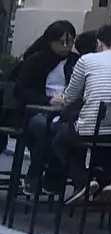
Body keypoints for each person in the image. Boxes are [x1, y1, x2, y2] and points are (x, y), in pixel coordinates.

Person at [51, 24, 111, 203]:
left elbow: (71, 96)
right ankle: (107, 183)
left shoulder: (87, 61)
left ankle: (83, 181)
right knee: (110, 138)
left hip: (91, 129)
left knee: (60, 137)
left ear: (98, 43)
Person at [13, 20, 76, 193]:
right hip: (35, 111)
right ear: (50, 41)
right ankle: (40, 175)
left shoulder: (76, 62)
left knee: (64, 131)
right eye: (61, 42)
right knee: (47, 128)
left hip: (65, 112)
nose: (65, 46)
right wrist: (47, 100)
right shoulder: (36, 60)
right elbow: (20, 90)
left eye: (69, 42)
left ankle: (50, 175)